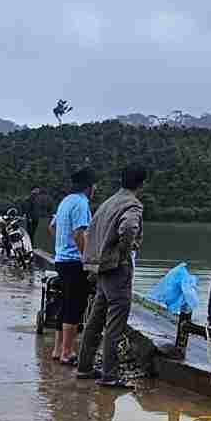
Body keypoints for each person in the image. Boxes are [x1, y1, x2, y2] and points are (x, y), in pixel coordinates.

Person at [76, 164, 150, 388]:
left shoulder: (108, 203)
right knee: (115, 323)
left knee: (95, 319)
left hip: (101, 269)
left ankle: (84, 367)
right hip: (117, 269)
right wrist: (124, 253)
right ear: (142, 184)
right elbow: (128, 229)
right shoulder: (132, 204)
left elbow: (90, 231)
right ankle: (109, 375)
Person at [49, 168, 97, 365]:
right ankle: (67, 352)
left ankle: (58, 349)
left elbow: (52, 227)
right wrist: (87, 259)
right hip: (74, 263)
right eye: (94, 186)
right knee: (75, 306)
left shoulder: (66, 201)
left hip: (61, 260)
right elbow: (79, 233)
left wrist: (62, 246)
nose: (95, 189)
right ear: (89, 187)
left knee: (65, 303)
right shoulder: (81, 203)